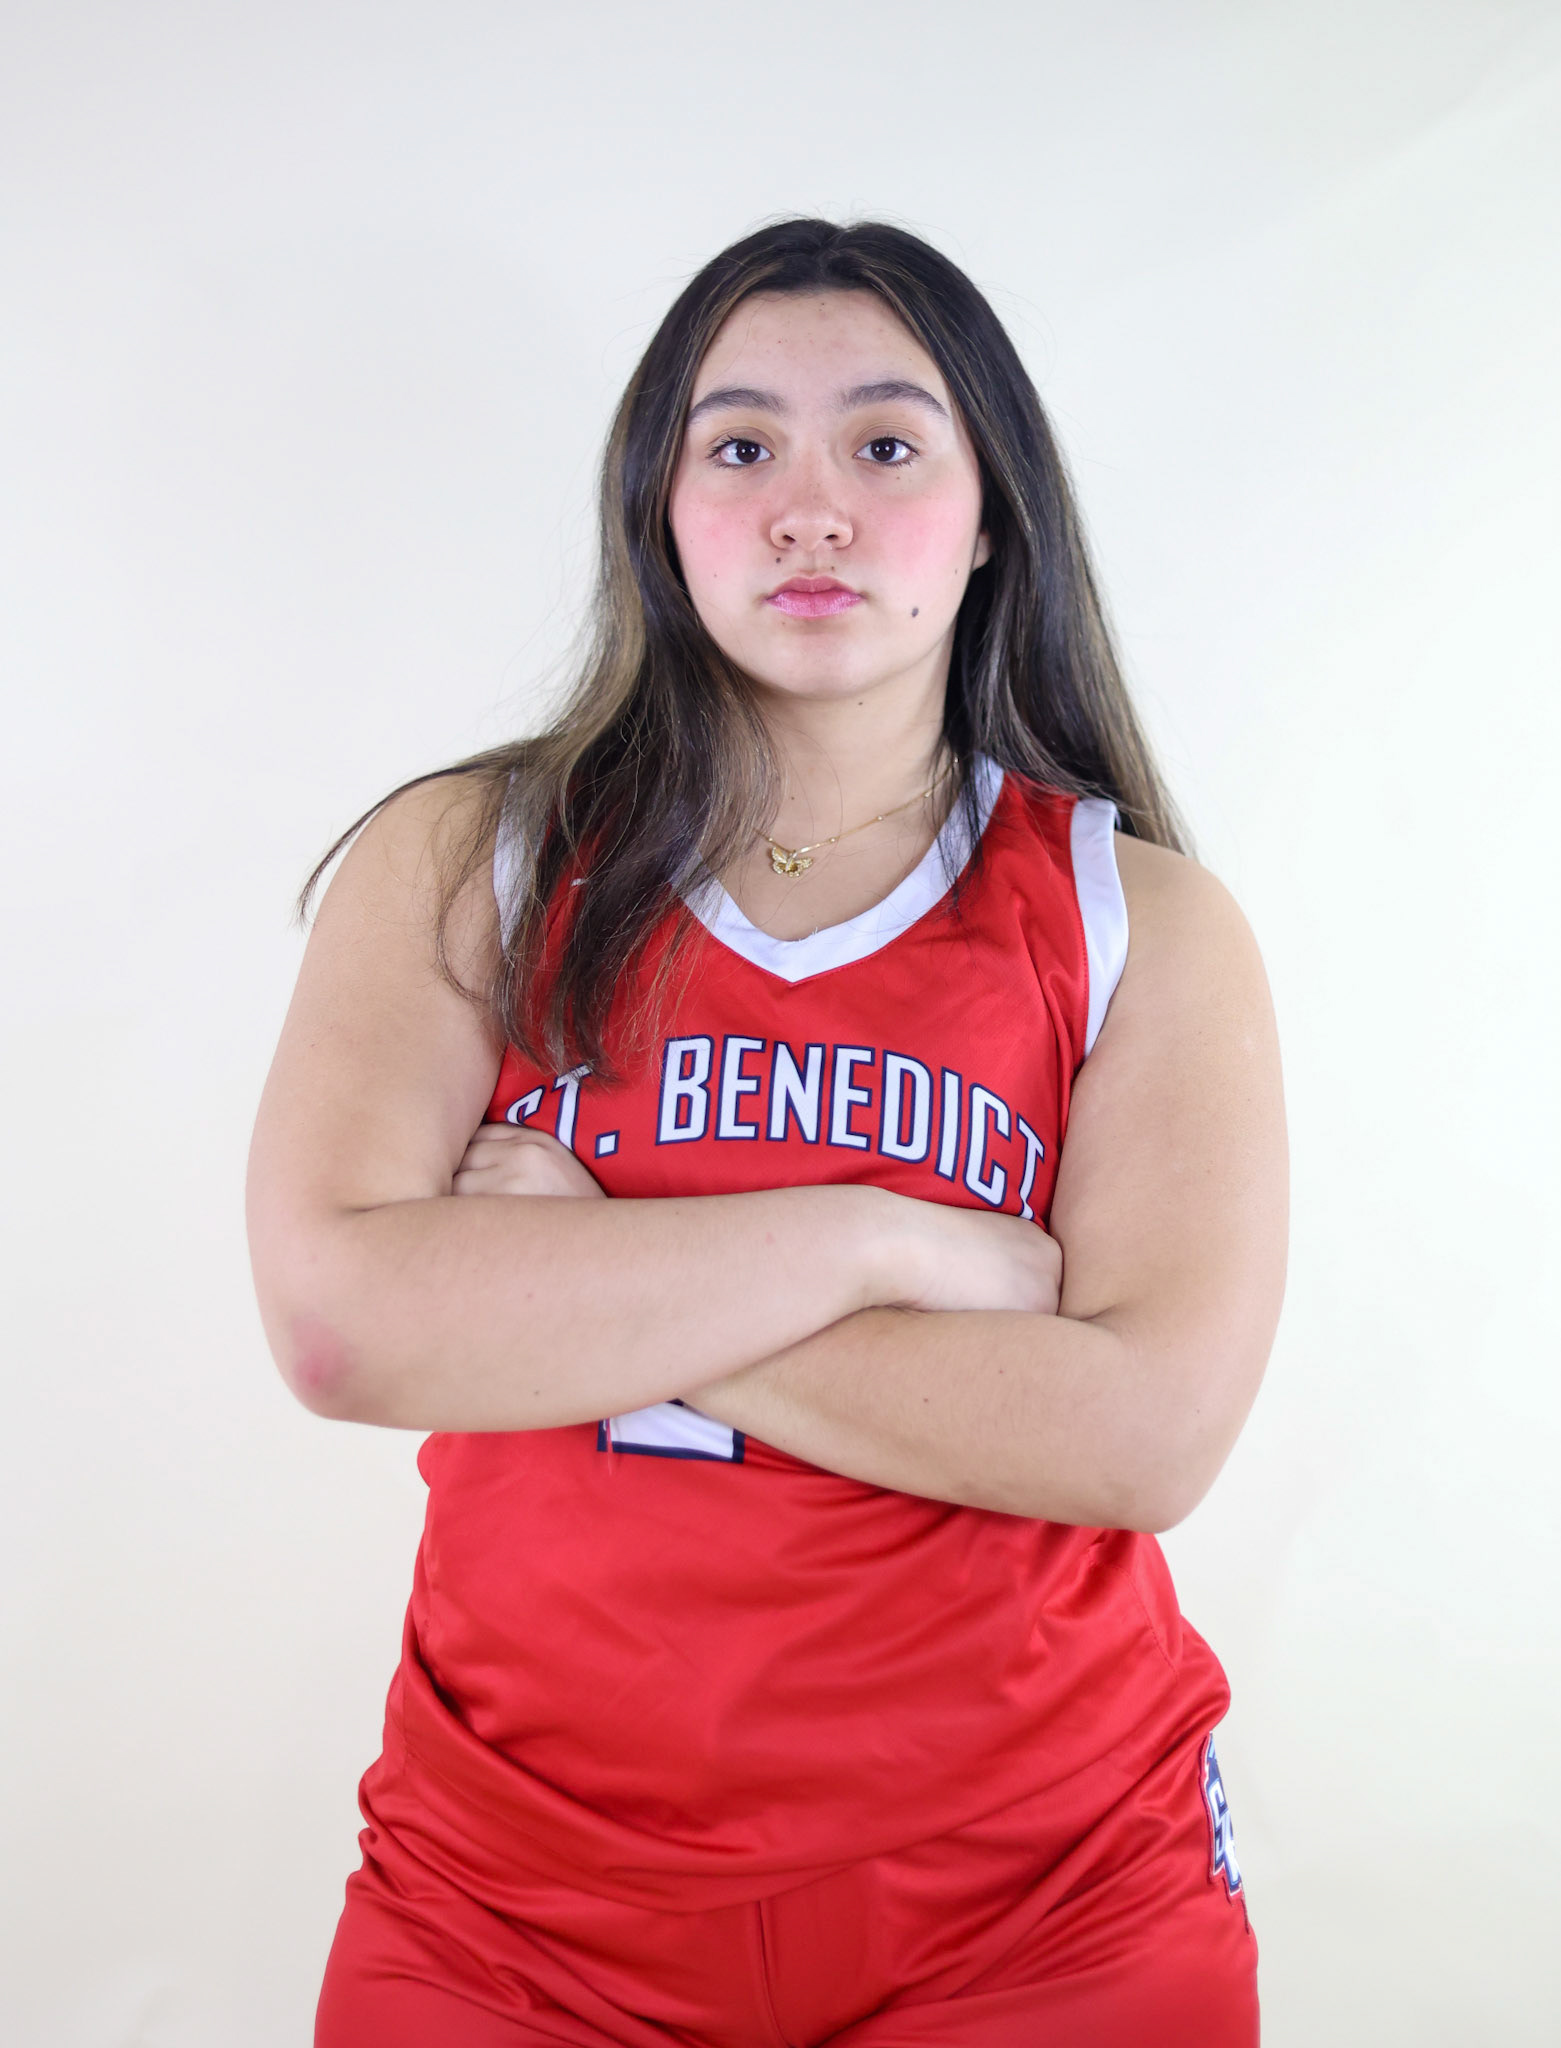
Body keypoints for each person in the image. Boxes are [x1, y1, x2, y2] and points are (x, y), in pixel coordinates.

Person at [247, 217, 1287, 2047]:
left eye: (886, 446)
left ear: (989, 518)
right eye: (739, 448)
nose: (810, 507)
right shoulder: (468, 861)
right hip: (515, 1904)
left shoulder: (1142, 922)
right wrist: (884, 1238)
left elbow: (1136, 1439)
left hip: (1043, 1895)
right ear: (659, 510)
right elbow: (346, 1328)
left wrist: (578, 1268)